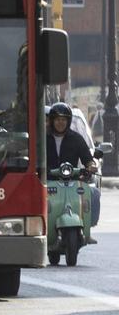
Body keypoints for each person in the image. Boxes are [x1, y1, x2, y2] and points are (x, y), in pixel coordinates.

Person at [47, 102, 101, 242]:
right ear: (52, 120)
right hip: (46, 180)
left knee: (94, 193)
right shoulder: (42, 138)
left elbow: (87, 159)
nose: (60, 122)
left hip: (72, 180)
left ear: (68, 121)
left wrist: (91, 166)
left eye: (64, 119)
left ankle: (87, 228)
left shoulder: (76, 138)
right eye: (57, 119)